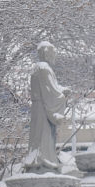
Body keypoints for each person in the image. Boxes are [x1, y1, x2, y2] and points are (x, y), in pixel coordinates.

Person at [25, 41, 70, 173]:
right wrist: (63, 95)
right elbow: (50, 92)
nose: (54, 56)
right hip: (43, 109)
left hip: (39, 108)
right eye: (53, 53)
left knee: (39, 136)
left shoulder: (38, 68)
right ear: (46, 53)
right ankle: (43, 160)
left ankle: (40, 159)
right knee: (43, 136)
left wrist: (61, 90)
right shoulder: (44, 68)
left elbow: (51, 88)